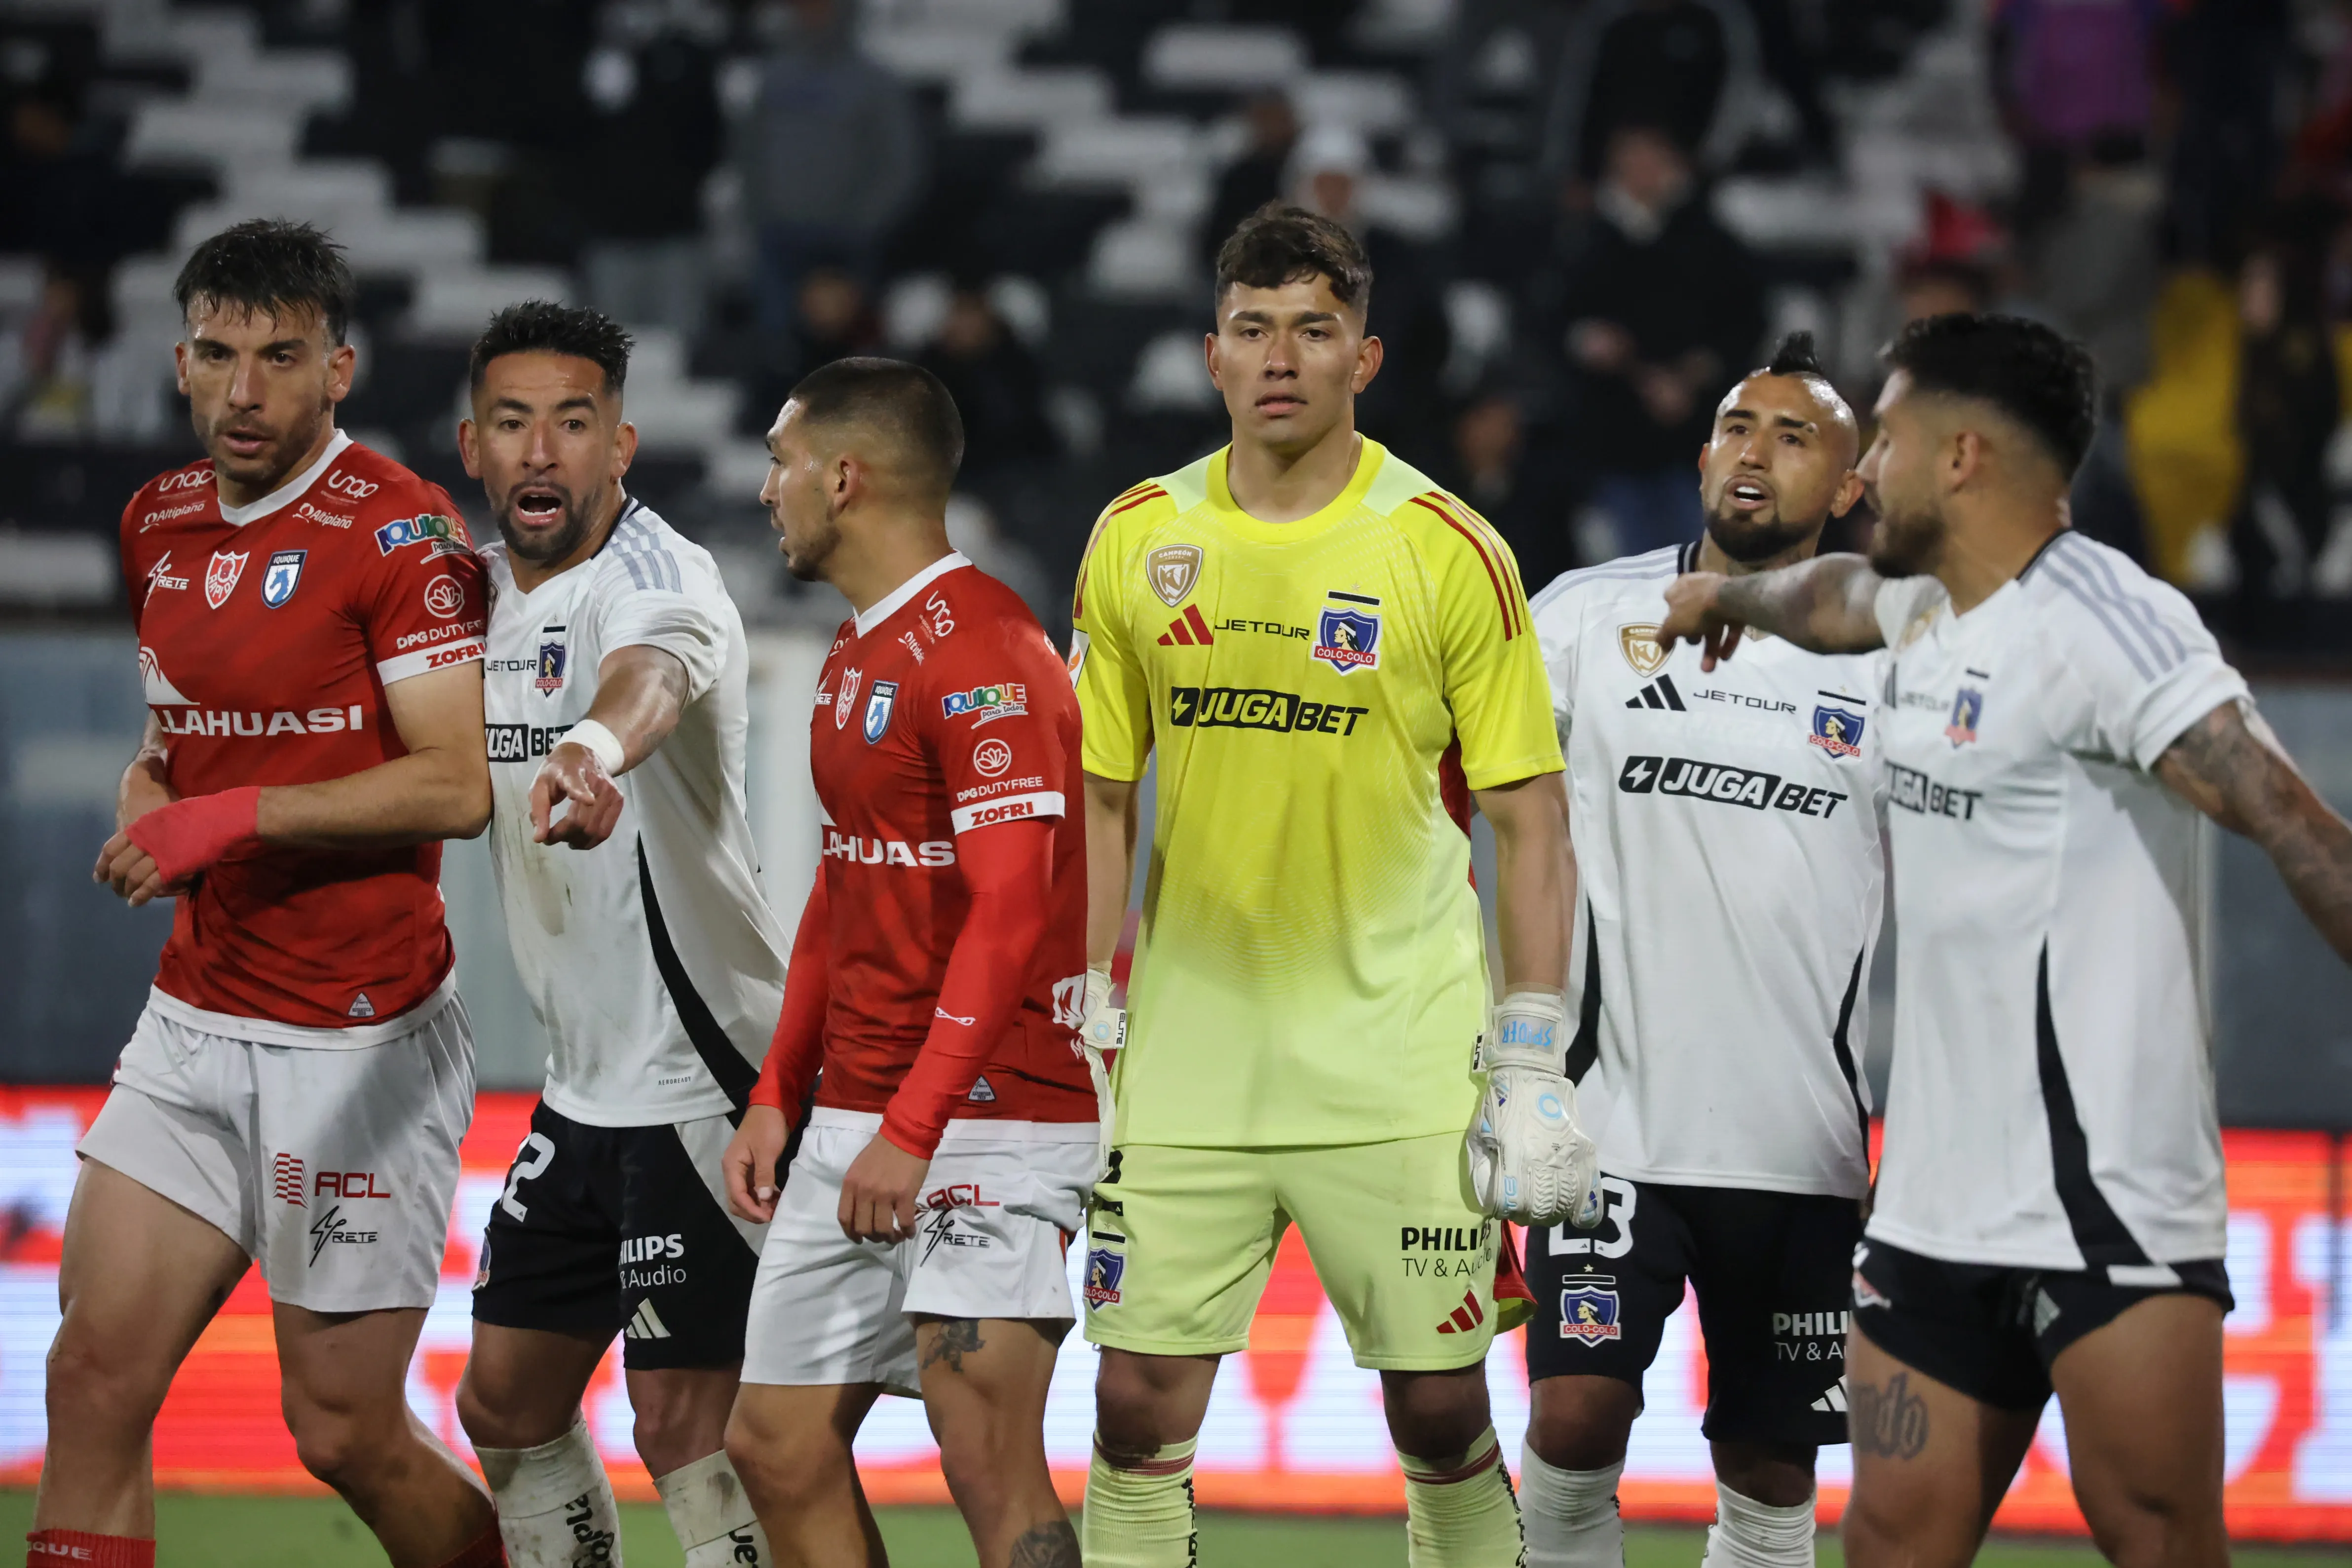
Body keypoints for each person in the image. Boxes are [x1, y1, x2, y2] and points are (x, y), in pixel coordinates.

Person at [1652, 312, 2352, 1568]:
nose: (1860, 473)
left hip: (2104, 1203)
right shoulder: (1920, 610)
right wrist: (1724, 596)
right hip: (1926, 1208)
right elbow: (1822, 597)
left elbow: (2287, 818)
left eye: (1888, 437)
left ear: (1961, 455)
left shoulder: (2105, 623)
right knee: (1888, 1542)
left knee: (2154, 1536)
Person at [1070, 203, 1595, 1568]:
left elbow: (1530, 820)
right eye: (1252, 330)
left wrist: (1531, 1053)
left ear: (1364, 357)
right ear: (1211, 355)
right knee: (1130, 1405)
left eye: (1314, 328)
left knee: (1434, 1411)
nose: (1280, 357)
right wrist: (1081, 1002)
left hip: (1396, 1052)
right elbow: (1104, 793)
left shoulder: (1444, 546)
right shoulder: (1135, 537)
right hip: (1191, 1052)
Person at [42, 219, 502, 1568]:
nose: (244, 390)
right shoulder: (158, 522)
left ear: (337, 369)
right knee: (91, 1381)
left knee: (344, 1431)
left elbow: (456, 787)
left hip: (355, 1042)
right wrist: (151, 799)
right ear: (181, 362)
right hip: (192, 1028)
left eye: (279, 358)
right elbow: (170, 744)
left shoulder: (401, 530)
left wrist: (227, 817)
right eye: (218, 354)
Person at [719, 357, 1095, 1568]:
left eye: (780, 460)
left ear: (843, 474)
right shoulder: (853, 650)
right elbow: (844, 880)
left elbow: (1009, 912)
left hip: (990, 1113)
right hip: (858, 1106)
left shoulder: (985, 644)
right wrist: (783, 1081)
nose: (766, 486)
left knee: (984, 1455)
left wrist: (915, 1125)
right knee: (773, 1443)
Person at [1520, 332, 1880, 1568]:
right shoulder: (1578, 618)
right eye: (1736, 424)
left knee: (1771, 1468)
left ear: (1847, 484)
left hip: (1797, 1138)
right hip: (1608, 1117)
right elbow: (1484, 812)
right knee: (1573, 1415)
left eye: (1793, 435)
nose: (1754, 450)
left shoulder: (1889, 662)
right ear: (1699, 453)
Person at [451, 302, 784, 1568]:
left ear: (622, 446)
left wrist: (590, 751)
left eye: (574, 423)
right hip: (584, 1086)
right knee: (505, 1401)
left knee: (686, 1423)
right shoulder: (470, 599)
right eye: (515, 423)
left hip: (703, 1078)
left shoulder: (660, 577)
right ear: (472, 443)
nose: (543, 453)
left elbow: (642, 676)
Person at [1554, 125, 1765, 560]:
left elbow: (1745, 322)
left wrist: (1696, 375)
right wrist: (1585, 342)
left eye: (1653, 161)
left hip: (1696, 442)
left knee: (1698, 562)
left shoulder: (1710, 240)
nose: (1643, 173)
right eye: (1632, 162)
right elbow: (1554, 317)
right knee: (1626, 570)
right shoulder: (1585, 237)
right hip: (1610, 440)